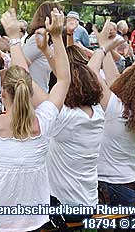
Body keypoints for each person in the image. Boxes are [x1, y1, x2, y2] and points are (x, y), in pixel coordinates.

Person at [0, 8, 71, 232]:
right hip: (32, 224)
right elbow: (63, 80)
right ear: (29, 92)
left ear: (3, 93)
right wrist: (58, 37)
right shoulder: (45, 121)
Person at [89, 19, 135, 206]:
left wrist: (103, 47)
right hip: (134, 183)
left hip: (110, 184)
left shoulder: (114, 106)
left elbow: (91, 73)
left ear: (127, 81)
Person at [45, 45, 104, 222]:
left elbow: (36, 93)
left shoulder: (66, 117)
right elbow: (65, 80)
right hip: (88, 202)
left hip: (64, 207)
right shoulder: (98, 112)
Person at [23, 1, 57, 92]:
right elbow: (20, 64)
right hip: (32, 95)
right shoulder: (39, 37)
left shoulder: (50, 38)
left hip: (39, 93)